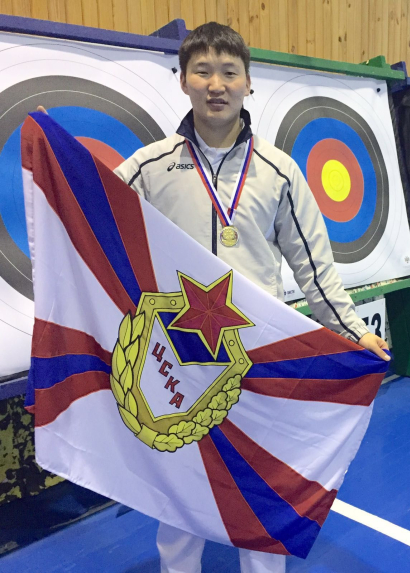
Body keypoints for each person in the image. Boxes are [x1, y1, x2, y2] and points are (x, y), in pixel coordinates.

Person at [40, 21, 389, 573]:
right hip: (175, 355)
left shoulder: (279, 173)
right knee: (180, 489)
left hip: (254, 356)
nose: (216, 84)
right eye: (202, 71)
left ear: (249, 82)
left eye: (229, 72)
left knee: (261, 484)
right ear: (183, 81)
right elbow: (92, 215)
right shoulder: (152, 165)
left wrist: (354, 332)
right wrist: (53, 167)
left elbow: (315, 269)